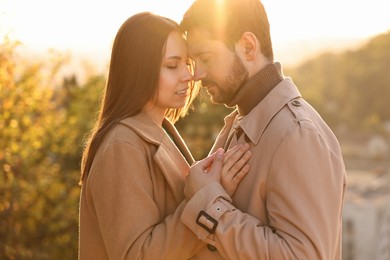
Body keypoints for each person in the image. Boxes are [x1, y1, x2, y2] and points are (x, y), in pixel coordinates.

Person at [179, 0, 348, 259]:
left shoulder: (296, 135)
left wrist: (208, 203)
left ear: (247, 46)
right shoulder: (241, 122)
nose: (197, 74)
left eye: (205, 58)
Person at [78, 12, 252, 259]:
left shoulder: (160, 131)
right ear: (139, 69)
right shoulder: (122, 145)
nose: (188, 75)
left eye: (186, 63)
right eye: (172, 65)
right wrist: (209, 197)